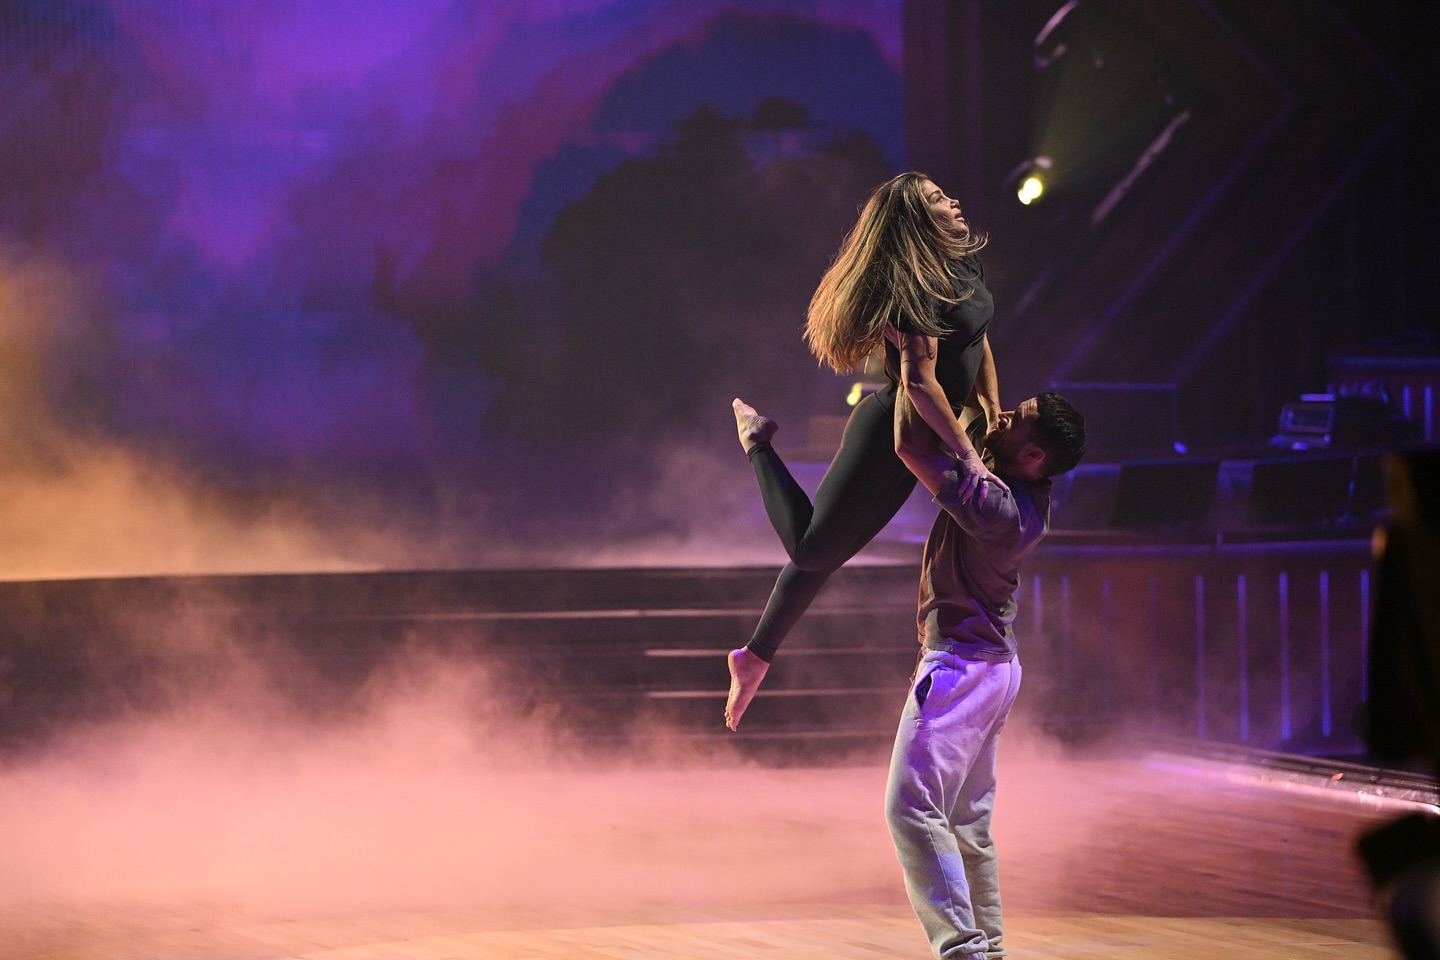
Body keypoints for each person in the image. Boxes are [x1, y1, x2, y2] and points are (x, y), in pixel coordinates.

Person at [727, 171, 1001, 731]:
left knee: (832, 551)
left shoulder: (963, 266)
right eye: (936, 199)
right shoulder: (914, 293)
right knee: (811, 550)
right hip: (891, 431)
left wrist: (993, 411)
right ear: (916, 220)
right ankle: (756, 440)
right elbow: (920, 383)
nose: (952, 200)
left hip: (930, 433)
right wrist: (969, 455)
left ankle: (754, 656)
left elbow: (978, 339)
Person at [886, 388, 1086, 960]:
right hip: (991, 667)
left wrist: (908, 363)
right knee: (967, 823)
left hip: (962, 670)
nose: (1005, 414)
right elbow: (976, 392)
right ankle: (988, 949)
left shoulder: (999, 506)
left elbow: (909, 446)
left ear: (1034, 456)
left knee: (910, 808)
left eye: (1020, 417)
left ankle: (964, 951)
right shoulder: (1017, 483)